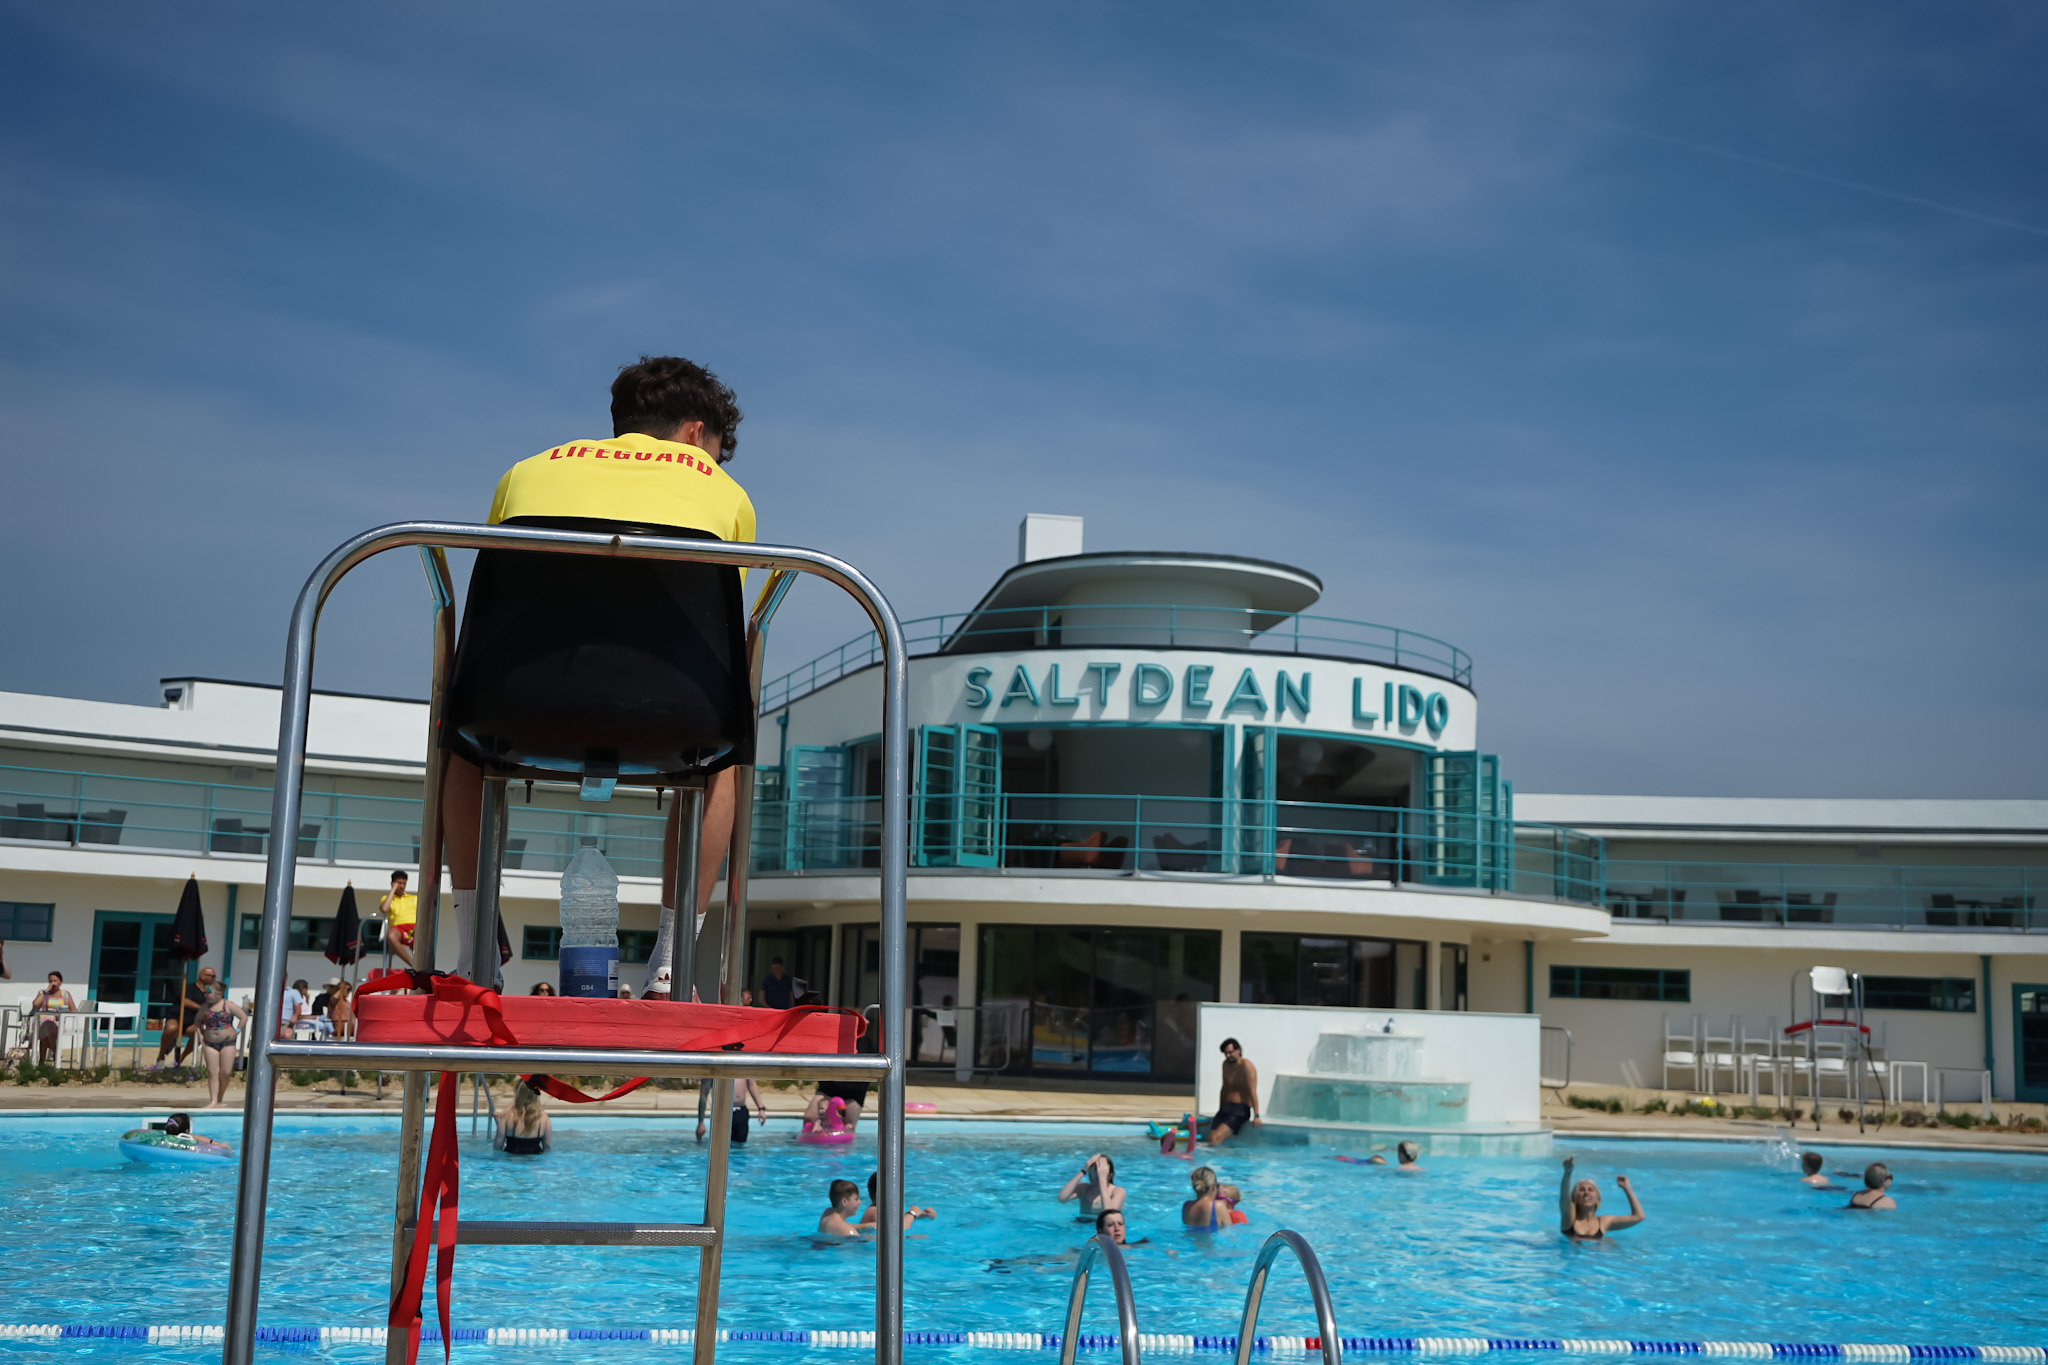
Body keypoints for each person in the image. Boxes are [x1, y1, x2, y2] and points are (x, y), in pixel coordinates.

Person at [434, 357, 754, 1000]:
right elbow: (719, 634)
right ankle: (670, 961)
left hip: (514, 706)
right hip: (673, 718)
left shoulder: (525, 473)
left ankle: (474, 953)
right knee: (727, 749)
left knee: (459, 738)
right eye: (717, 451)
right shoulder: (724, 494)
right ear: (695, 434)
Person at [1558, 1156, 1645, 1240]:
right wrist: (1567, 1173)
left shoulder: (1604, 1222)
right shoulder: (1569, 1219)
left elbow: (1639, 1217)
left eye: (1591, 1190)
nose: (1586, 1193)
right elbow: (1564, 1197)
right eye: (1581, 1190)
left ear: (1598, 1198)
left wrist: (1627, 1188)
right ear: (1575, 1197)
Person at [192, 986, 247, 1109]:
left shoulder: (228, 1005)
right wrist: (200, 1034)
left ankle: (220, 1099)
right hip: (210, 1044)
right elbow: (197, 1020)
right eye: (205, 993)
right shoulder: (205, 1007)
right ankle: (213, 1101)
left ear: (219, 994)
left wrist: (236, 1031)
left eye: (209, 993)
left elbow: (243, 1017)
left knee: (226, 1073)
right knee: (213, 1072)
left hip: (228, 1043)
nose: (206, 995)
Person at [155, 966, 219, 1065]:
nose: (214, 979)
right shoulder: (187, 987)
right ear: (203, 976)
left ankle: (181, 1058)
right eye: (212, 976)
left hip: (194, 1022)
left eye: (215, 977)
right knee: (172, 1028)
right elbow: (186, 1002)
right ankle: (161, 1056)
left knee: (199, 1033)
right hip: (177, 1017)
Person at [1208, 1037, 1260, 1144]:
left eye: (1230, 1052)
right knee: (1211, 1138)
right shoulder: (1225, 1065)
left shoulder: (1246, 1066)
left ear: (1238, 1050)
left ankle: (1220, 1160)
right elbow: (1224, 1087)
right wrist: (1220, 1109)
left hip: (1240, 1110)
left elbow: (1252, 1091)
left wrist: (1257, 1115)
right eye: (1225, 1053)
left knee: (1215, 1139)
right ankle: (1222, 1158)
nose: (1228, 1056)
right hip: (1225, 1107)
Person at [697, 1076, 768, 1144]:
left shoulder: (744, 1066)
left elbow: (752, 1085)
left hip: (740, 1112)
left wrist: (761, 1108)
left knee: (740, 1146)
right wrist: (700, 1122)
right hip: (721, 1112)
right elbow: (703, 1094)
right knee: (720, 1145)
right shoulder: (715, 1066)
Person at [857, 1171, 936, 1230]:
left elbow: (897, 1220)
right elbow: (898, 1230)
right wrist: (912, 1214)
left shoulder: (883, 1210)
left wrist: (923, 1214)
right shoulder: (873, 1211)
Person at [30, 971, 76, 1066]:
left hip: (58, 1021)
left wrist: (63, 1010)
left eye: (55, 981)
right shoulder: (43, 993)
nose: (53, 983)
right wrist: (46, 991)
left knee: (48, 1027)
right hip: (42, 1020)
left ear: (61, 982)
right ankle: (55, 1053)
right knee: (46, 1024)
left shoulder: (65, 994)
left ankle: (42, 1061)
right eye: (50, 981)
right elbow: (35, 1005)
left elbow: (73, 1010)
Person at [495, 1080, 552, 1154]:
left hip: (511, 1160)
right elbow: (547, 1145)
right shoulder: (543, 1117)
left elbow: (498, 1143)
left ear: (518, 1093)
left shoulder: (507, 1115)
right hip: (534, 1162)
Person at [1057, 1154, 1125, 1216]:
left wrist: (1102, 1180)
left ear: (1110, 1176)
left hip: (1102, 1227)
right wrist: (1083, 1171)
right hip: (1082, 1223)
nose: (1093, 1180)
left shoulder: (1117, 1191)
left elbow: (1109, 1214)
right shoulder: (1084, 1189)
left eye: (1098, 1177)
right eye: (1090, 1176)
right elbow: (1062, 1198)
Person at [379, 871, 418, 967]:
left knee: (422, 935)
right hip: (398, 929)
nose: (402, 886)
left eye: (404, 883)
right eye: (399, 883)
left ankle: (421, 967)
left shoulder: (414, 898)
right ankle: (412, 964)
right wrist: (393, 890)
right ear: (393, 883)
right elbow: (384, 909)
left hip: (414, 927)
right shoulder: (387, 898)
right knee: (391, 936)